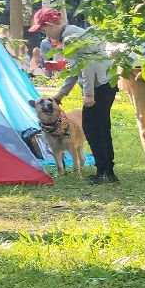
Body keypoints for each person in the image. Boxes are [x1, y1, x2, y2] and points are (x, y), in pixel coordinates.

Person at [52, 16, 122, 184]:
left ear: (51, 24)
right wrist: (61, 94)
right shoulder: (75, 33)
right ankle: (108, 172)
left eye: (43, 29)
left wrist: (89, 93)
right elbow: (76, 70)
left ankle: (103, 172)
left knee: (93, 130)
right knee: (102, 129)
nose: (44, 33)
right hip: (107, 84)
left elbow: (87, 65)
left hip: (99, 88)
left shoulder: (71, 38)